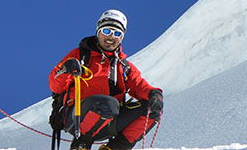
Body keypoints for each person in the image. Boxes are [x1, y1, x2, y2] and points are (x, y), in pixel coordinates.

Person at [48, 10, 163, 150]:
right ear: (98, 32)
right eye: (106, 31)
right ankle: (81, 144)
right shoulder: (80, 55)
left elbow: (139, 85)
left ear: (122, 38)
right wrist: (67, 69)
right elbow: (55, 85)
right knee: (108, 104)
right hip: (77, 117)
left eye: (117, 33)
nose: (111, 37)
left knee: (153, 109)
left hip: (108, 121)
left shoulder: (123, 66)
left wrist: (154, 94)